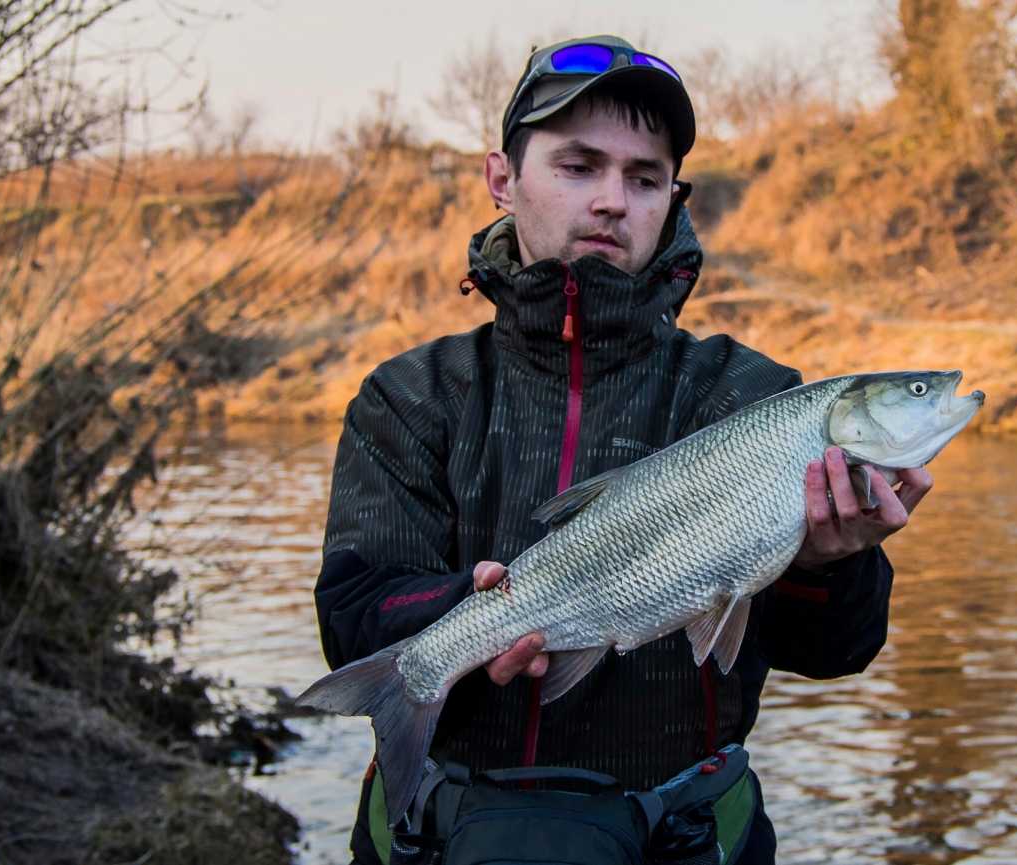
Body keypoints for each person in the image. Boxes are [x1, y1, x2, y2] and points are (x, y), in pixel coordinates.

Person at [314, 35, 932, 865]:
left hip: (678, 840)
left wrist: (829, 565)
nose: (612, 200)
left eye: (644, 179)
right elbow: (354, 618)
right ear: (502, 178)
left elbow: (838, 653)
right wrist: (473, 607)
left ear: (673, 200)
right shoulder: (412, 395)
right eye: (578, 166)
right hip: (443, 839)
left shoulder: (752, 395)